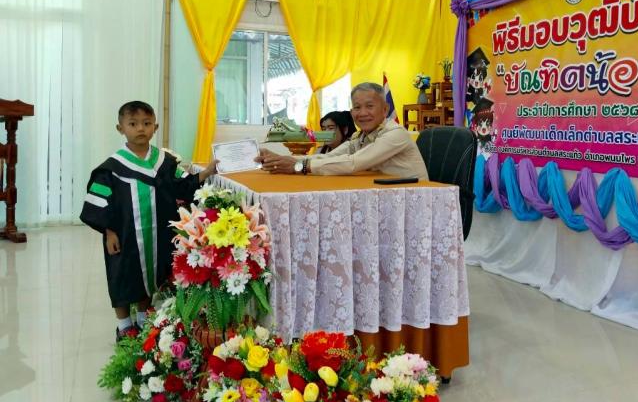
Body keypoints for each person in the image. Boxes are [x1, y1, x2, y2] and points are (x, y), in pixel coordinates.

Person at [80, 101, 217, 341]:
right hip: (124, 235)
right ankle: (124, 326)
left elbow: (184, 185)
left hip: (158, 234)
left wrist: (206, 172)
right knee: (122, 277)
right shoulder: (112, 167)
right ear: (120, 128)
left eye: (146, 123)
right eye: (133, 124)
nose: (140, 129)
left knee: (151, 275)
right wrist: (109, 231)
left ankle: (144, 318)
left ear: (155, 127)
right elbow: (98, 205)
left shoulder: (164, 162)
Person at [256, 82, 428, 180]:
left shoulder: (395, 133)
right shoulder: (360, 136)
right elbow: (328, 157)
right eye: (357, 107)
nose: (362, 113)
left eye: (369, 106)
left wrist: (298, 166)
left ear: (385, 109)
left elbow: (353, 163)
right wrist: (281, 159)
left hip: (414, 197)